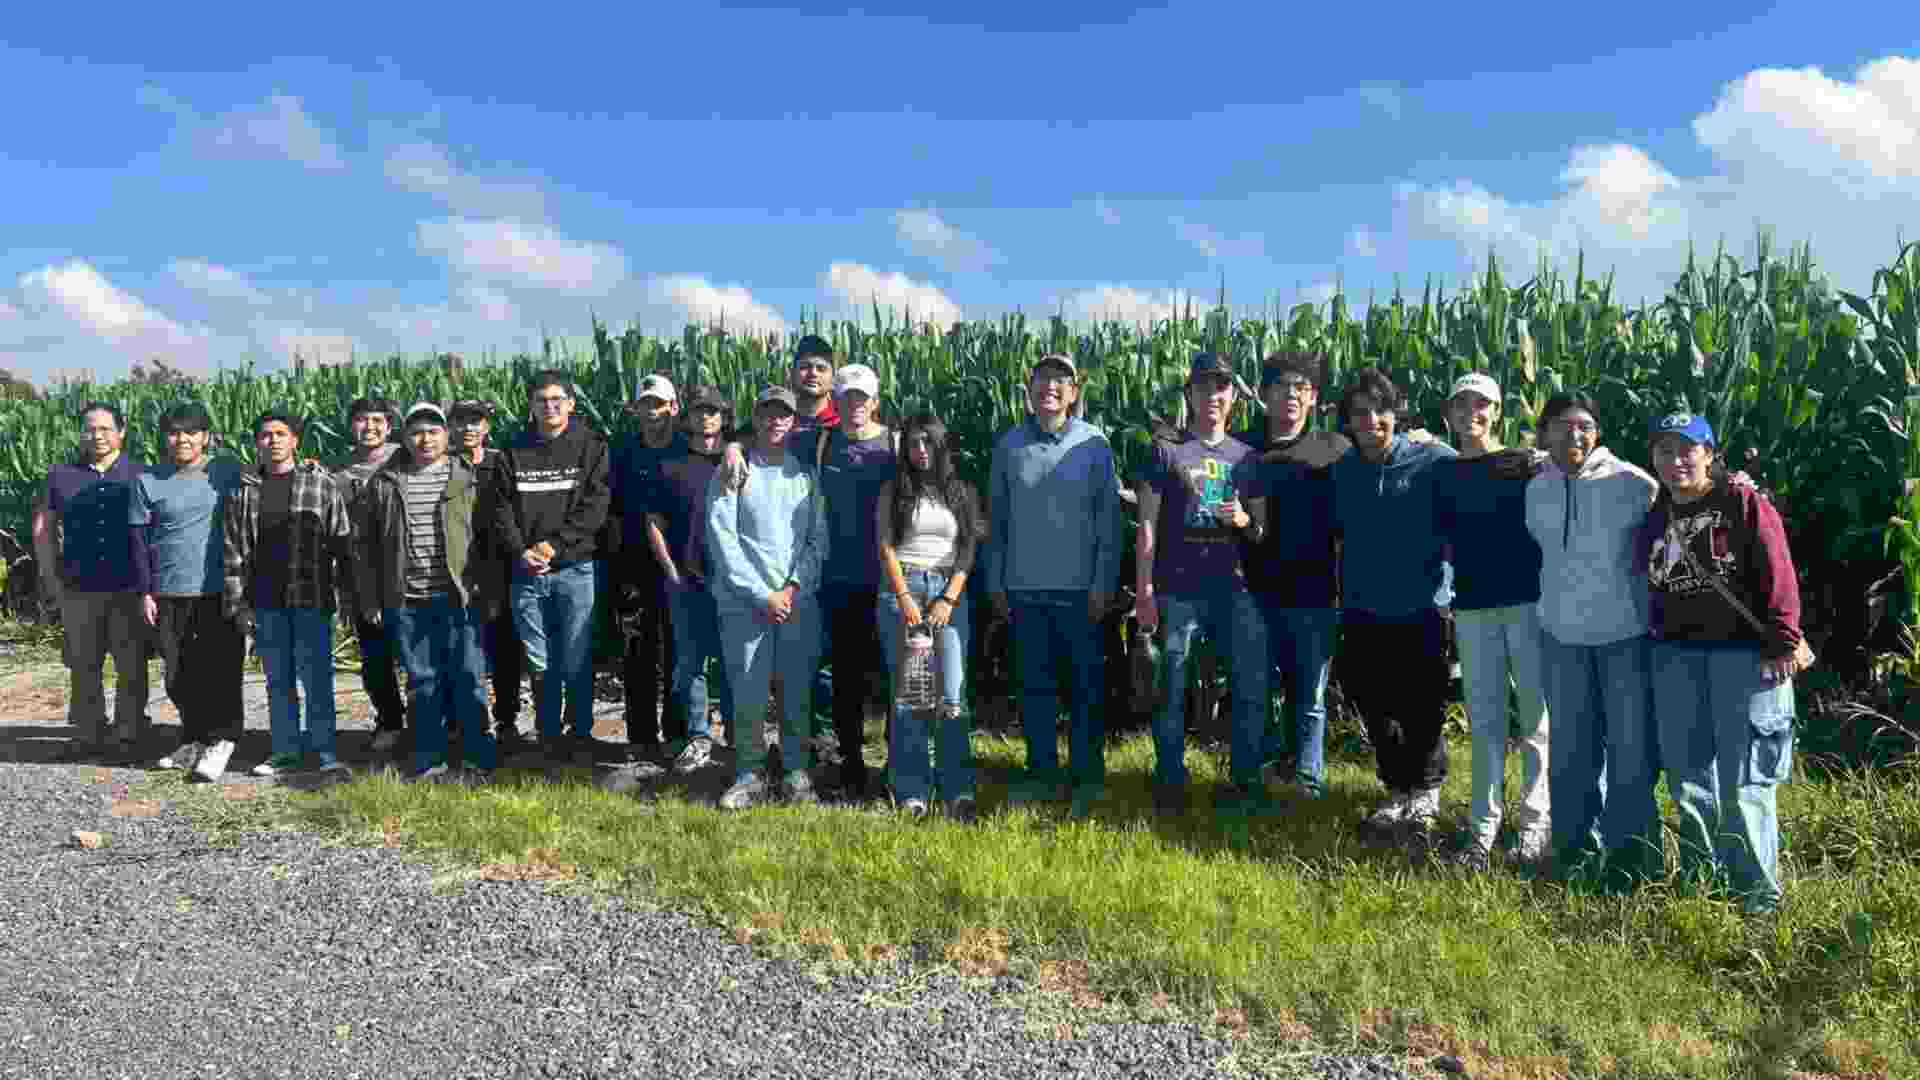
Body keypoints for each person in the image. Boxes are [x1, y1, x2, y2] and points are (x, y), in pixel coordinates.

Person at [1643, 411, 1812, 914]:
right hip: (1676, 655)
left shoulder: (1741, 499)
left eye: (1688, 450)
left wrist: (1784, 641)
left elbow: (1777, 569)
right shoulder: (1656, 512)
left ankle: (1757, 897)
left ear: (1710, 454)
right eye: (1665, 451)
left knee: (1745, 784)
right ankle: (1702, 883)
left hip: (1744, 658)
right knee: (1689, 779)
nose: (1676, 461)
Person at [1526, 392, 1661, 885]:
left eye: (1584, 425)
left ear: (1597, 432)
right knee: (1572, 755)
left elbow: (1686, 505)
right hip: (1562, 638)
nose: (1574, 435)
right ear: (1545, 434)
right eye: (1562, 426)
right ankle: (1574, 852)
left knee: (1630, 753)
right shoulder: (1536, 487)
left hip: (1624, 637)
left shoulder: (1632, 483)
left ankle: (1631, 859)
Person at [983, 353, 1121, 818]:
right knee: (1036, 689)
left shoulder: (1096, 445)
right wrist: (996, 581)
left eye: (1061, 380)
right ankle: (1040, 771)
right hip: (1025, 590)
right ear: (1030, 389)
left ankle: (1087, 774)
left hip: (1081, 591)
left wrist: (1104, 583)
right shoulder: (1009, 447)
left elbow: (1108, 523)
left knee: (1084, 689)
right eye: (1043, 379)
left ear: (1074, 392)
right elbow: (996, 520)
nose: (1051, 387)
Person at [1133, 353, 1268, 816]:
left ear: (1233, 398)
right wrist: (1145, 592)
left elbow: (1260, 530)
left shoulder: (1247, 457)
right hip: (1177, 586)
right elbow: (1146, 526)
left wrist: (1244, 517)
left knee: (1250, 683)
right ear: (1189, 394)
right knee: (1172, 684)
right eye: (1204, 388)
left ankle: (1245, 779)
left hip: (1233, 587)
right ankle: (1170, 775)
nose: (1213, 396)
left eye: (1222, 388)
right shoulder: (1165, 451)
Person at [1329, 367, 1458, 837]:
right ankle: (1396, 790)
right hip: (1363, 608)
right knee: (1376, 705)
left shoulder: (1432, 460)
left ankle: (1425, 793)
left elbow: (1481, 468)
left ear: (1396, 414)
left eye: (1380, 411)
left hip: (1422, 608)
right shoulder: (1344, 471)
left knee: (1422, 705)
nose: (1371, 421)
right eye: (1359, 413)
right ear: (1347, 421)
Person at [1432, 373, 1550, 869]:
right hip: (1474, 608)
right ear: (1450, 415)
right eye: (1462, 406)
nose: (1473, 414)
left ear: (1496, 412)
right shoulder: (1444, 472)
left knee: (1536, 722)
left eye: (1482, 406)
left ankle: (1535, 825)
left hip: (1527, 605)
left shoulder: (1525, 463)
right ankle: (1482, 829)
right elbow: (1439, 539)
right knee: (1484, 723)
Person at [355, 403, 502, 782]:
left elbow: (486, 538)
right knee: (422, 682)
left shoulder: (467, 477)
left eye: (433, 431)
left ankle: (477, 756)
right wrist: (371, 597)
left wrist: (489, 590)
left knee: (469, 677)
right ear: (404, 437)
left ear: (446, 436)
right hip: (408, 600)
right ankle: (428, 759)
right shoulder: (384, 482)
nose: (425, 439)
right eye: (417, 432)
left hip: (459, 598)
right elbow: (366, 546)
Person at [708, 386, 829, 810]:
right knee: (748, 690)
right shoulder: (734, 471)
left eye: (784, 416)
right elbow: (722, 539)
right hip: (745, 603)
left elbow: (817, 541)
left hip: (797, 602)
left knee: (797, 689)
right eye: (767, 414)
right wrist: (762, 594)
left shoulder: (805, 476)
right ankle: (749, 772)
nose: (775, 422)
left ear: (794, 423)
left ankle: (796, 770)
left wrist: (792, 589)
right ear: (755, 419)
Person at [1238, 352, 1348, 800]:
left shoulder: (1336, 450)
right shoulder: (1242, 448)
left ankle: (1307, 778)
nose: (1291, 396)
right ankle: (1255, 775)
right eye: (1282, 386)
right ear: (1264, 395)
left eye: (1301, 388)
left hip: (1314, 591)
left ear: (1314, 398)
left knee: (1310, 695)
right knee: (1255, 690)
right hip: (1252, 591)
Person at [224, 410, 353, 778]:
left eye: (282, 434)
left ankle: (324, 752)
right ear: (257, 443)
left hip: (312, 598)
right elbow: (234, 551)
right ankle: (284, 751)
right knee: (278, 681)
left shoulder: (321, 484)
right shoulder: (244, 492)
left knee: (317, 679)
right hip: (265, 602)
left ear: (295, 440)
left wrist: (346, 596)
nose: (274, 440)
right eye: (266, 435)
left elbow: (341, 542)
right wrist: (239, 605)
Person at [492, 371, 613, 759]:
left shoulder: (591, 446)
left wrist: (553, 547)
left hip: (575, 569)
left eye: (557, 399)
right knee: (540, 658)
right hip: (526, 571)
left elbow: (595, 506)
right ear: (530, 404)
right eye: (542, 400)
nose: (550, 406)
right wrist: (519, 550)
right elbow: (500, 507)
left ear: (572, 404)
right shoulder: (512, 451)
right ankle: (547, 734)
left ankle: (580, 734)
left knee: (576, 655)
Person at [876, 411, 985, 820]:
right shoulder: (894, 490)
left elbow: (968, 550)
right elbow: (885, 545)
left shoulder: (960, 491)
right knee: (912, 699)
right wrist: (904, 596)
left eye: (927, 443)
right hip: (903, 591)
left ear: (941, 445)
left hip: (947, 594)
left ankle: (957, 790)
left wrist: (949, 599)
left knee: (952, 698)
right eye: (912, 444)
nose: (920, 451)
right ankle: (912, 791)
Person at [132, 402, 247, 782]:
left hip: (219, 589)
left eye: (191, 432)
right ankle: (194, 736)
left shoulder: (226, 470)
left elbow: (270, 478)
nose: (182, 439)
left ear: (205, 437)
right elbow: (139, 540)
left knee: (222, 669)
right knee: (178, 674)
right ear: (164, 438)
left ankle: (222, 739)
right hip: (168, 590)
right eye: (174, 432)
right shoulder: (148, 481)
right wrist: (146, 591)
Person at [33, 402, 149, 763]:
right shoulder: (60, 475)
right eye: (90, 429)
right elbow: (44, 528)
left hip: (128, 586)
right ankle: (88, 734)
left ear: (121, 431)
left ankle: (129, 734)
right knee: (84, 664)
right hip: (78, 586)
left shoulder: (141, 473)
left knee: (130, 664)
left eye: (105, 428)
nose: (97, 435)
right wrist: (50, 578)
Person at [804, 362, 895, 799]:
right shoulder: (821, 443)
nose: (855, 404)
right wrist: (730, 449)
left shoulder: (895, 445)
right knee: (846, 677)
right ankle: (852, 761)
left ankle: (901, 762)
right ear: (834, 404)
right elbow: (760, 440)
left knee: (898, 675)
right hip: (839, 579)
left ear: (875, 402)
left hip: (891, 580)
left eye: (862, 397)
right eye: (846, 398)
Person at [637, 385, 735, 778]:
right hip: (686, 579)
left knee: (732, 664)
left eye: (713, 411)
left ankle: (736, 737)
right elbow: (654, 522)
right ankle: (698, 737)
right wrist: (670, 570)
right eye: (699, 411)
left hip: (733, 582)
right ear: (687, 417)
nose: (706, 418)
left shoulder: (739, 461)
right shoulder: (670, 465)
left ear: (724, 417)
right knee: (690, 664)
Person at [611, 374, 684, 763]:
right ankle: (640, 737)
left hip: (679, 566)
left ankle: (675, 733)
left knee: (677, 650)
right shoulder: (622, 452)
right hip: (633, 566)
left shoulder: (686, 448)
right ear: (636, 410)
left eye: (659, 404)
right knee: (637, 651)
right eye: (646, 405)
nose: (652, 412)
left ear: (674, 408)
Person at [450, 399, 526, 750]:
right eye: (461, 421)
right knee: (461, 649)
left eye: (475, 421)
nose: (468, 428)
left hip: (501, 567)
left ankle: (507, 719)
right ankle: (464, 721)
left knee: (504, 648)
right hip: (457, 569)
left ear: (487, 427)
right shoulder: (442, 464)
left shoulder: (501, 462)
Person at [334, 398, 408, 753]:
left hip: (411, 573)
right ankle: (390, 720)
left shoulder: (407, 459)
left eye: (377, 420)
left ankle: (435, 722)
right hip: (360, 576)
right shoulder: (339, 472)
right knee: (375, 656)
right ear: (352, 426)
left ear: (390, 426)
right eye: (361, 420)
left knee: (420, 654)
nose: (370, 427)